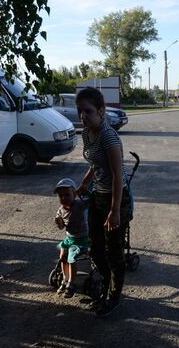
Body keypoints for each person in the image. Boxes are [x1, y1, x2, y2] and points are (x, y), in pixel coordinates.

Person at [76, 87, 130, 318]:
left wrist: (115, 210)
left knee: (113, 252)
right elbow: (95, 164)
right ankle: (104, 288)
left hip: (116, 198)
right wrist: (84, 183)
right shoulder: (86, 134)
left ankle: (114, 297)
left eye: (87, 111)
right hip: (98, 195)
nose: (83, 116)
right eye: (80, 111)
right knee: (95, 249)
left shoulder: (109, 136)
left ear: (101, 110)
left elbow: (118, 175)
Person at [53, 178, 89, 298]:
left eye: (67, 195)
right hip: (70, 238)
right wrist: (59, 222)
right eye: (60, 196)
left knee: (71, 258)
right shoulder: (61, 210)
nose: (63, 198)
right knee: (62, 257)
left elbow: (90, 202)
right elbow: (61, 227)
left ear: (74, 194)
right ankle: (65, 278)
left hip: (82, 239)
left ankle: (71, 283)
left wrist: (85, 191)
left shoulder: (79, 204)